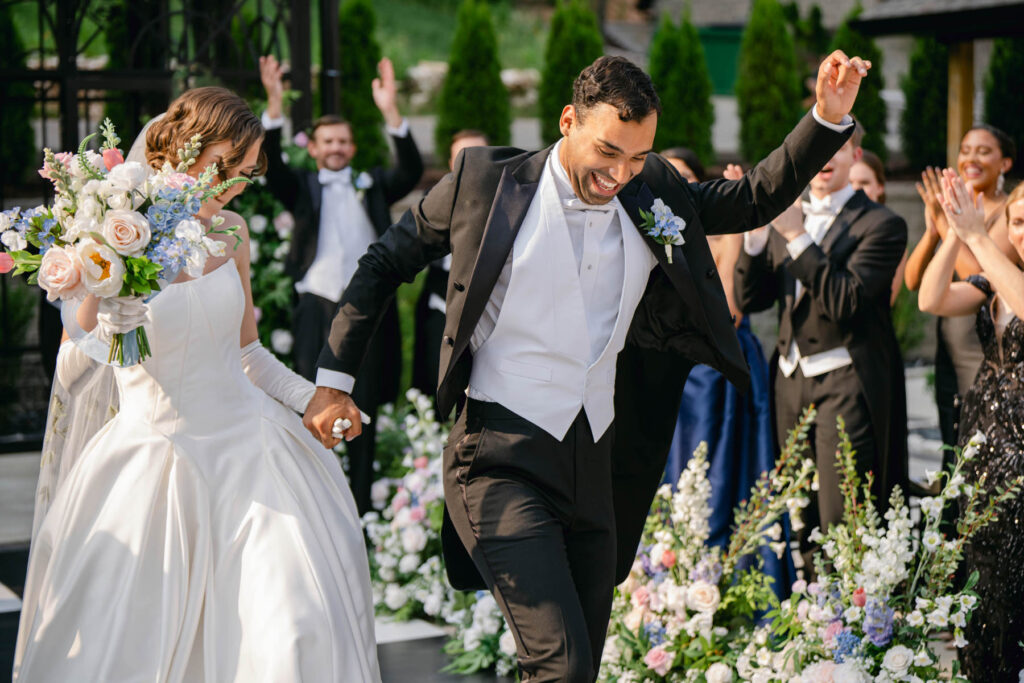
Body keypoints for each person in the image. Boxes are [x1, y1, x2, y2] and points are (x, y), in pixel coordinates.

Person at [303, 51, 869, 681]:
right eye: (608, 152)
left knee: (579, 666)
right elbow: (384, 263)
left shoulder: (654, 190)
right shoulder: (484, 181)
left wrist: (826, 117)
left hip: (599, 460)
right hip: (498, 458)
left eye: (636, 157)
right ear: (568, 120)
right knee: (561, 666)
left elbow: (753, 197)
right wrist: (332, 383)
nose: (621, 173)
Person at [14, 87, 381, 682]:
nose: (235, 185)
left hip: (251, 455)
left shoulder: (232, 232)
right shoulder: (111, 236)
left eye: (246, 171)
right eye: (224, 167)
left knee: (288, 625)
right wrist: (112, 323)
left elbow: (249, 354)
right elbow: (68, 372)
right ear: (177, 152)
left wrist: (310, 396)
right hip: (154, 462)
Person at [735, 121, 908, 579]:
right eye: (818, 150)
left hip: (845, 382)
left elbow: (846, 301)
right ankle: (812, 618)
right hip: (789, 381)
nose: (826, 158)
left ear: (855, 155)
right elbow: (751, 300)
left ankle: (851, 626)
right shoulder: (788, 215)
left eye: (839, 147)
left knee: (842, 510)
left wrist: (797, 237)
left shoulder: (882, 224)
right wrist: (754, 239)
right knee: (799, 509)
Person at [258, 55, 423, 515]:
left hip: (365, 311)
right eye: (328, 140)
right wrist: (274, 103)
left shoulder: (370, 185)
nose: (336, 147)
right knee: (315, 400)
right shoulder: (303, 187)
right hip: (316, 305)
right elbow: (272, 171)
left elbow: (409, 172)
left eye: (343, 141)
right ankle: (319, 504)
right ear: (313, 148)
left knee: (363, 405)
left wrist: (391, 111)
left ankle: (362, 509)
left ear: (352, 148)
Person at [659, 150, 796, 598]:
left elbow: (731, 310)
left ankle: (719, 585)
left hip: (715, 372)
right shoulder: (648, 231)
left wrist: (735, 234)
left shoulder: (718, 232)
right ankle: (664, 586)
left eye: (683, 176)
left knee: (718, 481)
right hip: (664, 371)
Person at [918, 171, 1024, 682]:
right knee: (985, 572)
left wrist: (980, 235)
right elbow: (930, 299)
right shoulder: (991, 280)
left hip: (1022, 443)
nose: (1022, 232)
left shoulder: (1012, 282)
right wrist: (957, 231)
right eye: (1019, 222)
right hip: (983, 436)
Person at [905, 126, 1017, 457]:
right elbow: (915, 283)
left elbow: (978, 276)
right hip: (950, 338)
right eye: (966, 150)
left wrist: (949, 224)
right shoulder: (957, 212)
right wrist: (932, 231)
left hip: (982, 342)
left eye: (983, 151)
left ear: (1005, 163)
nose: (971, 157)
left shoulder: (1012, 212)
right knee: (949, 438)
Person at [411, 129, 490, 400]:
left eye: (479, 155)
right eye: (462, 157)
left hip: (488, 314)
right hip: (439, 307)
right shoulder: (436, 201)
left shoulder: (508, 200)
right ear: (451, 163)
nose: (472, 163)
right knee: (435, 384)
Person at [851, 149, 905, 306]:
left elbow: (888, 299)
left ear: (880, 187)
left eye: (864, 183)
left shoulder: (892, 232)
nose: (856, 189)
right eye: (850, 182)